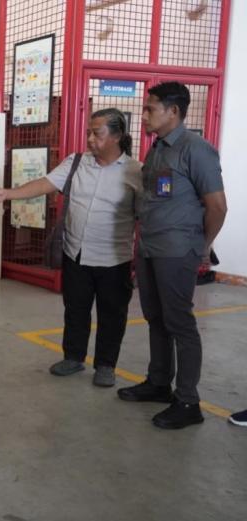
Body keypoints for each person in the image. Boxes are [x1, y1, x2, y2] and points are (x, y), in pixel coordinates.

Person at [0, 109, 141, 387]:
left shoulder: (136, 172)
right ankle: (73, 357)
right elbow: (44, 184)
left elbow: (145, 214)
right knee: (75, 309)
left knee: (112, 314)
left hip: (114, 258)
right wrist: (8, 194)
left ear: (117, 136)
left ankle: (106, 365)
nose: (90, 139)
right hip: (75, 252)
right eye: (89, 132)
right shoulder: (76, 162)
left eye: (97, 133)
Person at [117, 82, 227, 430]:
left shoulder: (197, 150)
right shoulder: (158, 148)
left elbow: (217, 206)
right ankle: (159, 382)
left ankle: (188, 401)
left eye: (150, 109)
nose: (144, 115)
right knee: (156, 317)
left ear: (174, 111)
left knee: (180, 322)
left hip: (178, 251)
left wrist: (203, 246)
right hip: (150, 247)